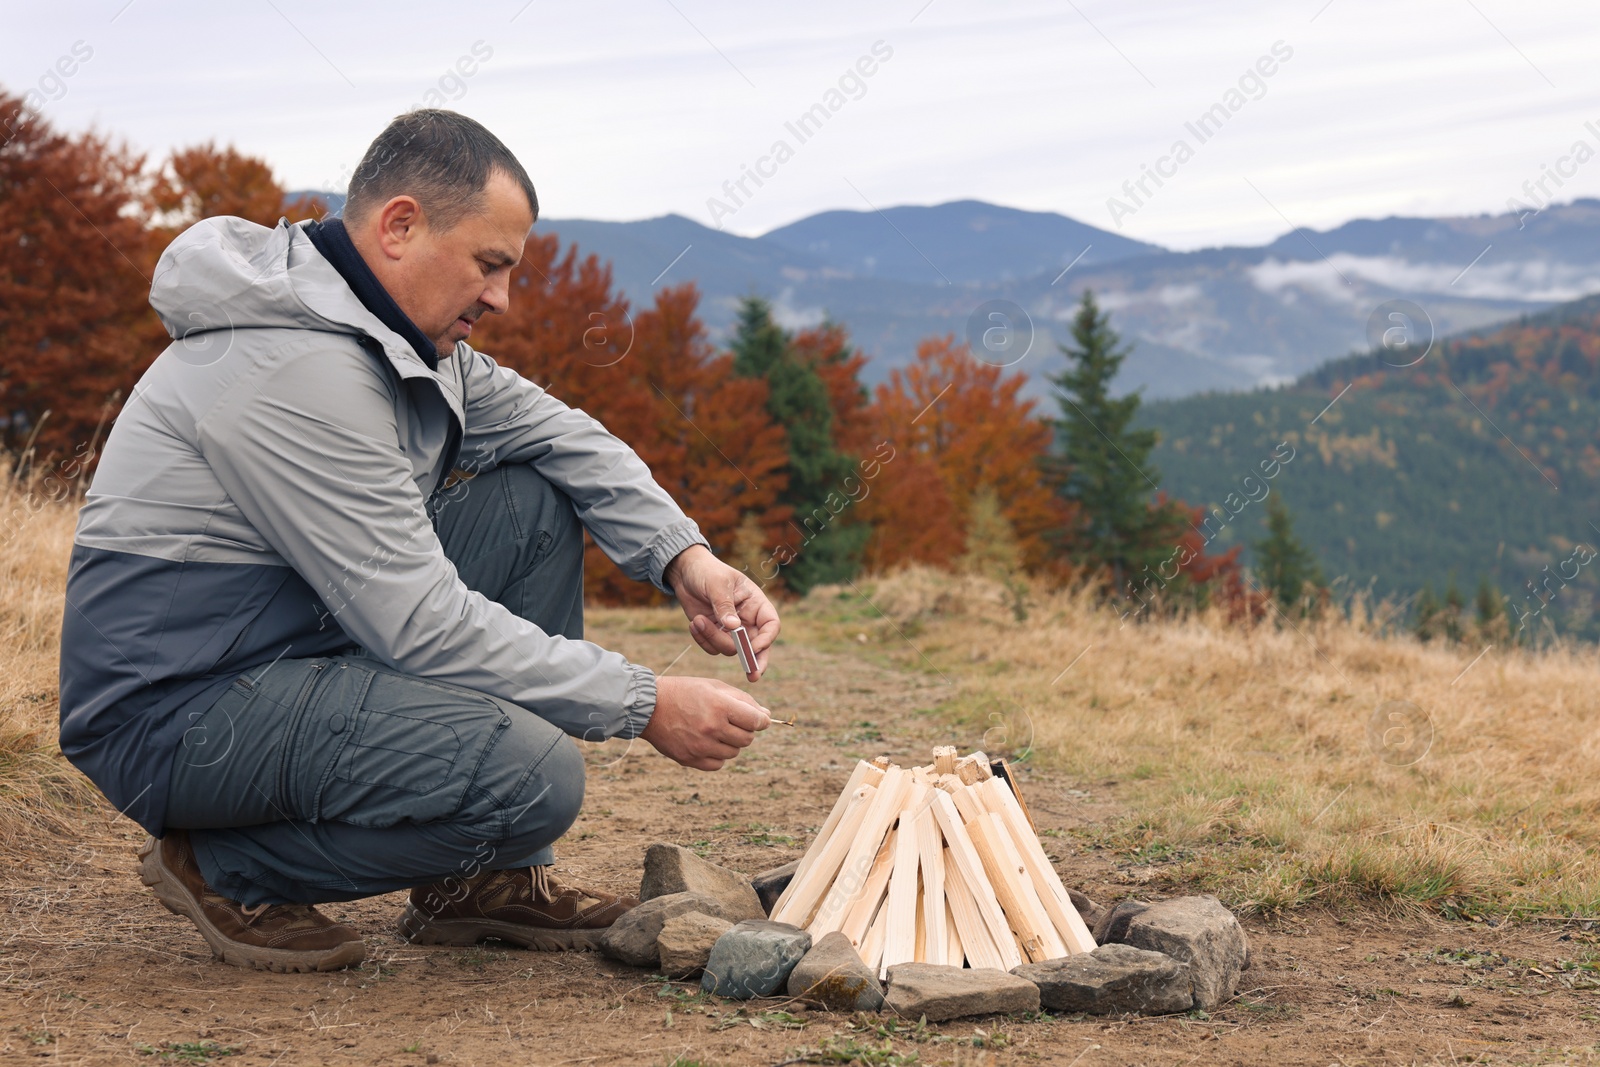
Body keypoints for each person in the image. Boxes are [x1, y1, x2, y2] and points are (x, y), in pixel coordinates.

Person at [57, 109, 780, 974]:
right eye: (489, 264)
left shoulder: (387, 333)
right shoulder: (298, 367)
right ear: (400, 226)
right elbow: (422, 621)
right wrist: (644, 699)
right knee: (535, 775)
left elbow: (562, 433)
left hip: (285, 645)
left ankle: (478, 885)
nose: (501, 298)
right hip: (175, 708)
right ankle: (223, 865)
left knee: (529, 496)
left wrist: (686, 559)